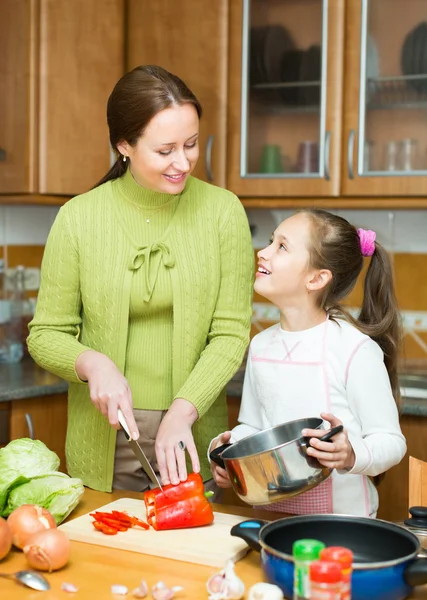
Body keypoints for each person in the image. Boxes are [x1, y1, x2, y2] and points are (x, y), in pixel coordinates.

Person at [27, 65, 254, 494]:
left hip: (191, 434)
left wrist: (183, 412)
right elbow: (45, 335)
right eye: (165, 150)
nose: (183, 161)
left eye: (191, 144)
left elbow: (230, 334)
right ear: (124, 145)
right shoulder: (79, 218)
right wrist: (93, 364)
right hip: (105, 441)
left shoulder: (223, 212)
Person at [210, 209, 406, 517]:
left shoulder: (353, 349)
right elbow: (253, 425)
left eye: (282, 247)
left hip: (343, 524)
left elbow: (390, 442)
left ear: (316, 278)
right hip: (275, 517)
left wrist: (350, 453)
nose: (263, 252)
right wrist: (227, 451)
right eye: (272, 241)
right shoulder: (261, 345)